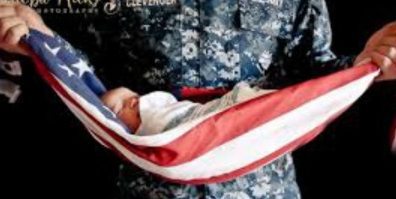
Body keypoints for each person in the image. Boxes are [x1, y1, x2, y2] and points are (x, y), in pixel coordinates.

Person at [0, 0, 396, 199]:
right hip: (150, 197)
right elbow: (90, 80)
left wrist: (369, 65)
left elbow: (310, 75)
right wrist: (41, 40)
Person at [101, 82, 271, 135]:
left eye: (115, 113)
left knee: (243, 103)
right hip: (155, 192)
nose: (112, 121)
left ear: (133, 103)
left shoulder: (149, 104)